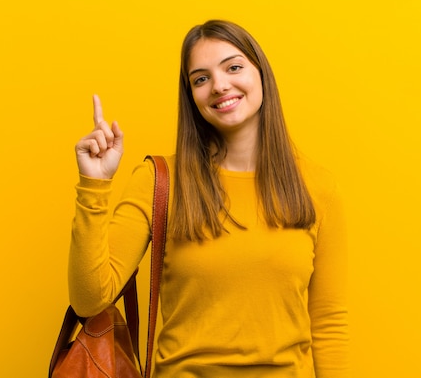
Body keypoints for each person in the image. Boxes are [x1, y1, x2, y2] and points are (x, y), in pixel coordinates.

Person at [69, 19, 349, 378]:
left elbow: (329, 324)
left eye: (233, 67)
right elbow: (90, 299)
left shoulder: (317, 188)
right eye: (200, 79)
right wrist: (94, 186)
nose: (219, 86)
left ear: (261, 73)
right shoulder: (158, 182)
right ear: (192, 96)